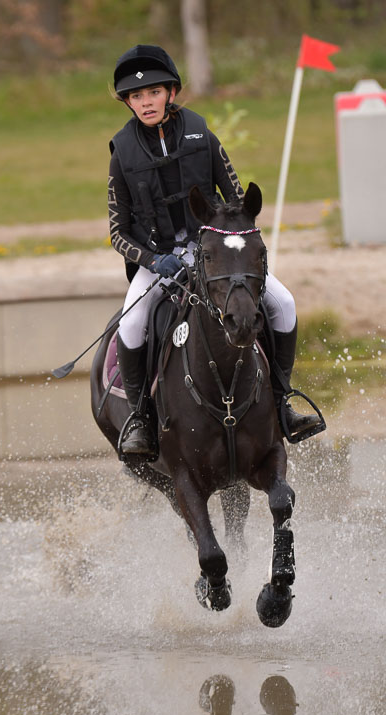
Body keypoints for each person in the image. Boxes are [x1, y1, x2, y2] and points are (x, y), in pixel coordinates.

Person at [108, 44, 319, 458]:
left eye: (152, 93)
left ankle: (282, 402)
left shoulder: (201, 134)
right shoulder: (122, 152)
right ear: (128, 102)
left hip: (219, 258)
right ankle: (139, 420)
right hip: (160, 262)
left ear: (170, 92)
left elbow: (238, 201)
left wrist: (229, 244)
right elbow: (116, 232)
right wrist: (154, 261)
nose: (145, 102)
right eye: (136, 97)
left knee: (285, 304)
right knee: (131, 327)